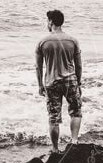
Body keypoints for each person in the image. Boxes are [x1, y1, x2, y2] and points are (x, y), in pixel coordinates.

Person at [35, 9, 82, 153]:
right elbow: (78, 65)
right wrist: (78, 83)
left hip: (51, 82)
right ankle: (74, 141)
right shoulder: (72, 40)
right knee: (76, 112)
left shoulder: (43, 42)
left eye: (47, 21)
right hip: (70, 80)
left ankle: (55, 149)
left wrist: (40, 85)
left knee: (54, 118)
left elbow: (38, 67)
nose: (47, 23)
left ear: (51, 22)